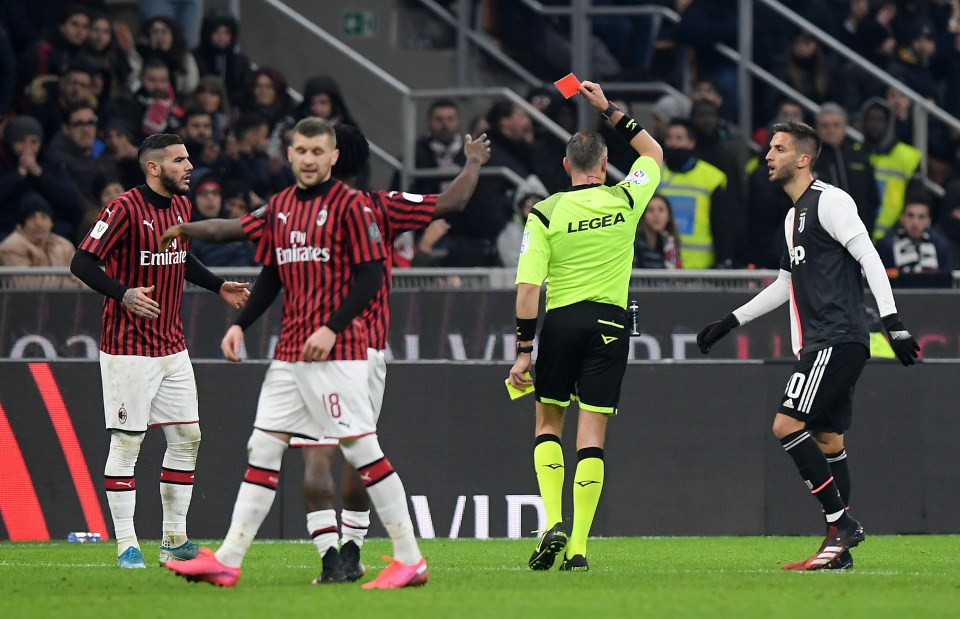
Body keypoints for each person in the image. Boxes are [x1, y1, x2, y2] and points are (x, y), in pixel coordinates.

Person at [158, 122, 491, 583]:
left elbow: (373, 275)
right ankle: (230, 561)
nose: (308, 158)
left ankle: (405, 558)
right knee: (263, 445)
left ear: (333, 156)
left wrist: (333, 328)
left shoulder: (356, 207)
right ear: (289, 153)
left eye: (318, 150)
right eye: (301, 150)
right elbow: (271, 272)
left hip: (344, 351)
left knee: (360, 450)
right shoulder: (280, 208)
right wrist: (238, 325)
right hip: (291, 353)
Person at [695, 121, 920, 571]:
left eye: (777, 149)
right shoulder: (791, 216)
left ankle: (842, 524)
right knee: (828, 438)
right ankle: (837, 550)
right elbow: (784, 285)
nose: (768, 156)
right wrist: (730, 321)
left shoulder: (831, 201)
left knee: (785, 425)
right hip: (829, 340)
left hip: (835, 338)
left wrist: (892, 322)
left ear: (803, 158)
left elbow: (869, 256)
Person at [69, 133, 250, 569]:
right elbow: (81, 262)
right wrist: (123, 293)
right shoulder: (123, 209)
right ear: (153, 167)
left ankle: (173, 539)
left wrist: (218, 284)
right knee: (128, 443)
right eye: (179, 160)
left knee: (188, 438)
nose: (189, 166)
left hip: (172, 346)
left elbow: (180, 258)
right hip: (127, 349)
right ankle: (127, 544)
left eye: (188, 158)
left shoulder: (180, 207)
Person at [507, 80, 663, 572]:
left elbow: (529, 290)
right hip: (611, 325)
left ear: (565, 167)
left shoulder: (545, 212)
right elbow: (653, 151)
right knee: (591, 435)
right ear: (603, 166)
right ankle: (577, 547)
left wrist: (523, 351)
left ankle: (551, 518)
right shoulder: (626, 200)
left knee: (548, 421)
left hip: (562, 323)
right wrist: (609, 109)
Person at [876, 196, 953, 274]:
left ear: (929, 221)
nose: (915, 222)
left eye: (921, 217)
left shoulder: (941, 246)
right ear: (902, 218)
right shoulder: (885, 245)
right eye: (910, 216)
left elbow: (947, 279)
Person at [634, 193, 681, 269]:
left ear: (668, 215)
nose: (656, 214)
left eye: (661, 210)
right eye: (650, 210)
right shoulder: (636, 241)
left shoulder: (671, 242)